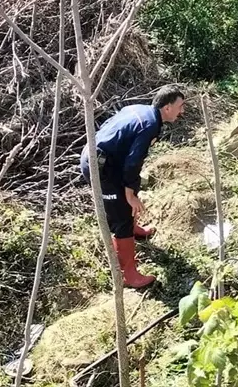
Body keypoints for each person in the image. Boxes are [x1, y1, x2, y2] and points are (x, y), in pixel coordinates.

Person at [80, 86, 187, 288]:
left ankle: (134, 229)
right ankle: (128, 274)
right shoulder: (150, 125)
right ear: (167, 107)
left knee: (131, 190)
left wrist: (131, 188)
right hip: (99, 166)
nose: (182, 111)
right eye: (180, 106)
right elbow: (133, 162)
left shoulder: (139, 109)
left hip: (110, 160)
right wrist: (129, 194)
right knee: (121, 216)